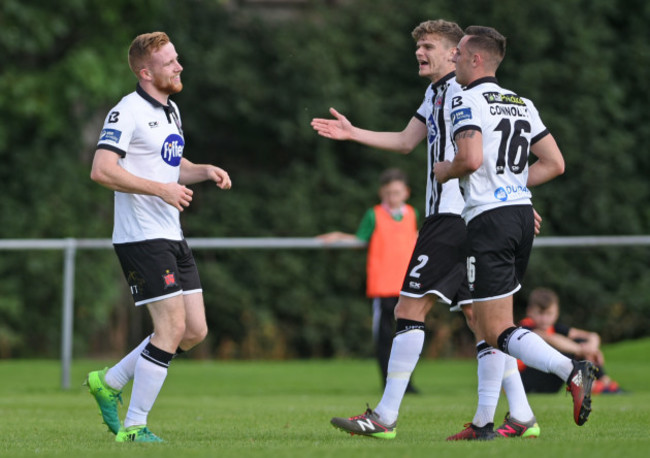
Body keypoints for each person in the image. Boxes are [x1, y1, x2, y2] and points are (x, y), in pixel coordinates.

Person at [312, 19, 540, 441]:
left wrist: (509, 197)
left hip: (453, 217)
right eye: (417, 45)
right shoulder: (436, 91)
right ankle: (522, 414)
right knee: (481, 320)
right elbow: (404, 141)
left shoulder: (461, 90)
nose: (419, 51)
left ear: (456, 52)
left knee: (409, 308)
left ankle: (384, 416)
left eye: (429, 45)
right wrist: (352, 132)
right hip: (469, 218)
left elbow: (481, 153)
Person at [433, 25, 596, 429]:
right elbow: (555, 163)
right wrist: (510, 186)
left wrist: (444, 171)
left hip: (488, 221)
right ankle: (484, 423)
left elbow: (469, 160)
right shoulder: (520, 102)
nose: (452, 58)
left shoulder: (465, 99)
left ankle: (570, 369)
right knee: (494, 325)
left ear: (476, 59)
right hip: (521, 217)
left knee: (493, 328)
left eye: (460, 53)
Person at [85, 31, 232, 443]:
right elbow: (102, 170)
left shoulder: (172, 110)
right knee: (169, 329)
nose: (179, 66)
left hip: (171, 233)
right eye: (170, 62)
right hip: (141, 237)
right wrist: (162, 190)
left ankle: (109, 381)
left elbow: (168, 162)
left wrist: (201, 170)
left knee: (195, 331)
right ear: (146, 72)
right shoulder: (126, 111)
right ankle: (134, 427)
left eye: (177, 59)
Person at [318, 168, 420, 393]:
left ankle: (407, 384)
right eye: (388, 193)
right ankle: (389, 383)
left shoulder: (412, 214)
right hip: (383, 287)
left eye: (397, 192)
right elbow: (360, 239)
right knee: (384, 339)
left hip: (408, 287)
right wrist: (337, 236)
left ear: (406, 192)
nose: (392, 197)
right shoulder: (374, 215)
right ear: (381, 193)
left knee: (408, 338)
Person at [518, 287, 621, 394]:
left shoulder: (554, 327)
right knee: (563, 352)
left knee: (579, 342)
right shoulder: (525, 328)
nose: (544, 319)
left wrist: (592, 347)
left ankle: (605, 382)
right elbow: (550, 338)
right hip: (523, 380)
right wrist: (582, 350)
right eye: (540, 313)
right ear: (529, 311)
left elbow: (591, 336)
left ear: (556, 312)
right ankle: (591, 386)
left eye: (549, 314)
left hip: (544, 380)